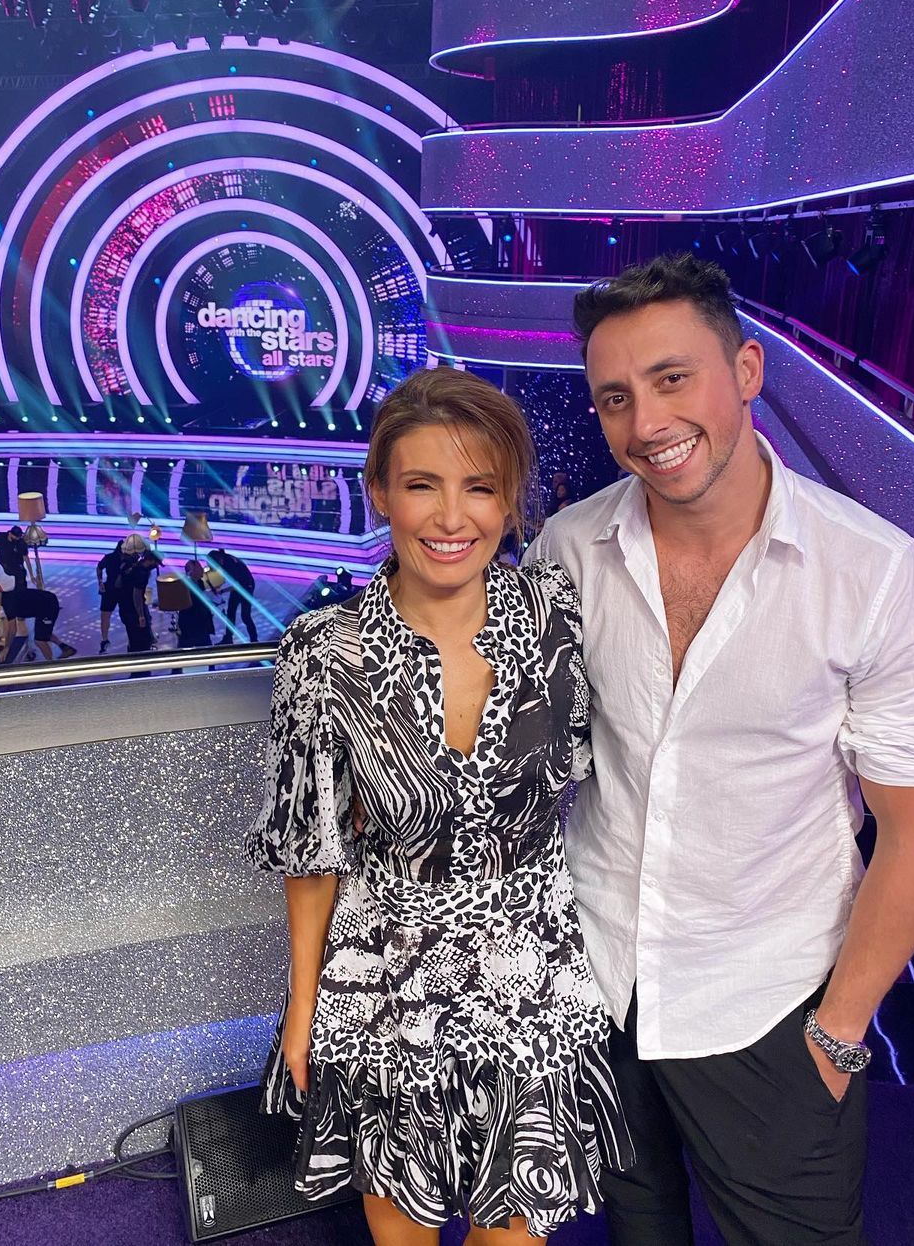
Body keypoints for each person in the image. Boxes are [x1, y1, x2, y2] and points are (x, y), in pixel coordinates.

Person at [525, 252, 914, 1246]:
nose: (647, 423)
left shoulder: (873, 574)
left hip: (768, 1008)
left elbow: (913, 833)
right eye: (615, 398)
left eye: (673, 379)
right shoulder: (567, 548)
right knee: (636, 1232)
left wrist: (839, 1034)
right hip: (601, 982)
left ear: (746, 371)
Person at [245, 368, 632, 1245]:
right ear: (381, 492)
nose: (452, 518)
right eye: (422, 485)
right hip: (384, 980)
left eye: (480, 488)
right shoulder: (323, 652)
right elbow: (310, 851)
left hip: (531, 974)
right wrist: (302, 1007)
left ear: (510, 500)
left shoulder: (558, 615)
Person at [0, 582, 77, 662]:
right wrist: (4, 641)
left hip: (48, 606)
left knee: (39, 640)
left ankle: (51, 664)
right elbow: (7, 623)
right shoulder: (6, 599)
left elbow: (13, 630)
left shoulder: (8, 603)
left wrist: (6, 648)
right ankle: (65, 648)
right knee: (44, 632)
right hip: (43, 606)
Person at [115, 533, 159, 654]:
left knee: (133, 638)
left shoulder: (126, 567)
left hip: (124, 608)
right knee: (141, 642)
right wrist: (141, 615)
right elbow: (137, 595)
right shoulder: (141, 573)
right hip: (133, 612)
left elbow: (118, 585)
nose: (155, 567)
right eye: (155, 563)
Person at [210, 547, 258, 643]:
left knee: (245, 616)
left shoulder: (230, 564)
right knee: (231, 612)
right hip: (240, 585)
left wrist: (222, 591)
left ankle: (254, 639)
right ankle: (228, 638)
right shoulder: (224, 560)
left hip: (246, 586)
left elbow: (237, 585)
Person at [178, 559, 215, 649]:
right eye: (199, 568)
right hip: (191, 623)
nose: (202, 570)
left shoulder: (200, 582)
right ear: (192, 571)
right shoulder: (185, 585)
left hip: (202, 623)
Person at [96, 539, 124, 653]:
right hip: (116, 590)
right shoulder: (114, 558)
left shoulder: (109, 557)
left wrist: (100, 581)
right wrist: (100, 582)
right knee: (105, 616)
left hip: (116, 589)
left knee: (105, 616)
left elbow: (99, 567)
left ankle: (104, 639)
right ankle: (104, 640)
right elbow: (99, 567)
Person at [0, 524, 31, 592]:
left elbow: (26, 557)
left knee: (21, 573)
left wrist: (31, 574)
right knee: (19, 573)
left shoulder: (21, 542)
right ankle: (19, 592)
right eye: (16, 537)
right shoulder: (0, 538)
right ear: (10, 534)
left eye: (18, 537)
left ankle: (20, 592)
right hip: (5, 561)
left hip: (17, 561)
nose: (17, 539)